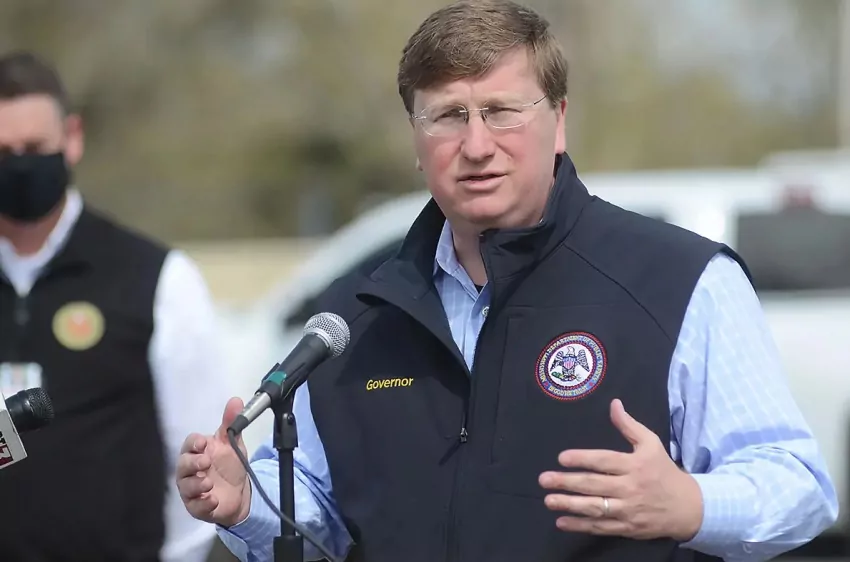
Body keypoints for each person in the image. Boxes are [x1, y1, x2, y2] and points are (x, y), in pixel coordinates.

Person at [176, 2, 839, 561]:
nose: (476, 145)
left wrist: (690, 503)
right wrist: (245, 502)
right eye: (448, 116)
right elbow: (323, 510)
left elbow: (797, 486)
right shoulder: (356, 316)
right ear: (416, 139)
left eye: (502, 111)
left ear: (559, 120)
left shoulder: (681, 282)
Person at [0, 51, 233, 561]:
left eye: (33, 148)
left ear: (72, 137)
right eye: (3, 151)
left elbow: (199, 457)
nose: (18, 165)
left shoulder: (155, 278)